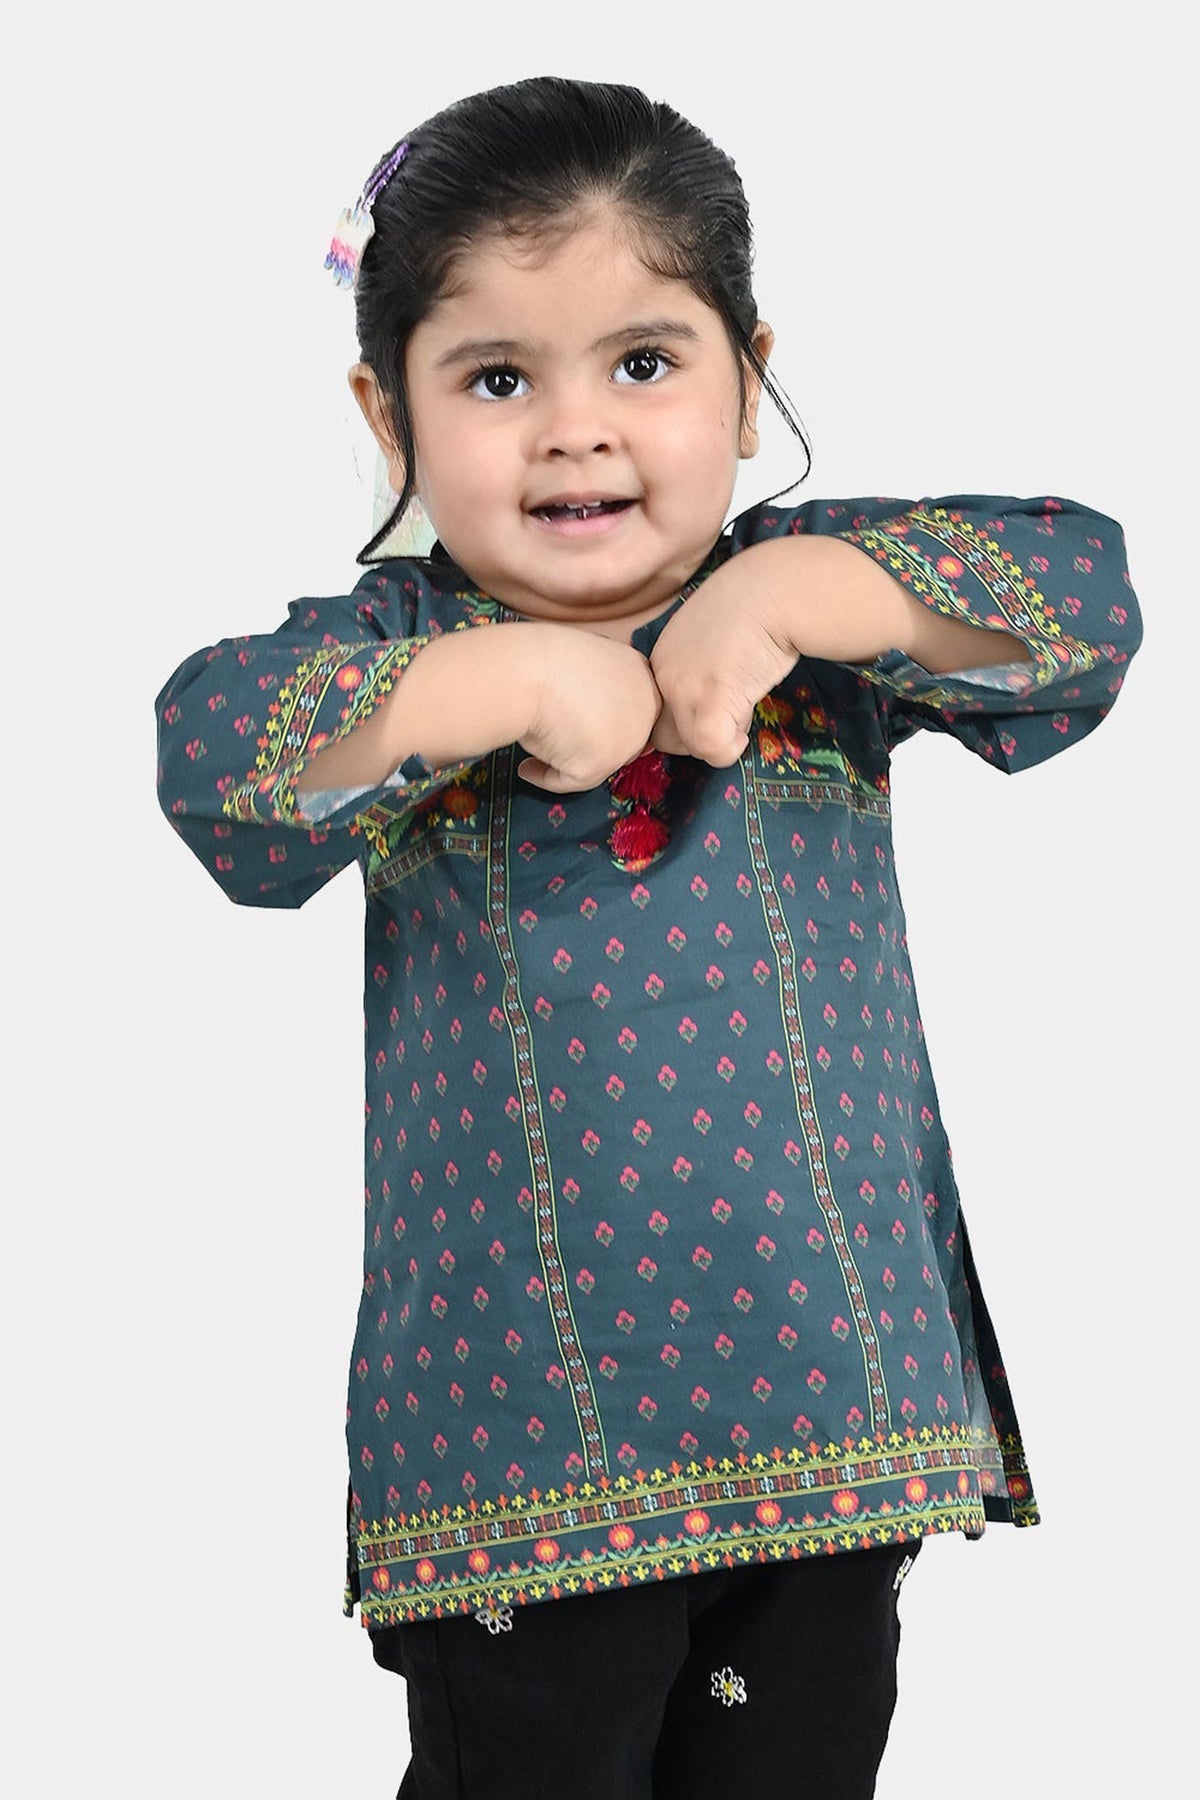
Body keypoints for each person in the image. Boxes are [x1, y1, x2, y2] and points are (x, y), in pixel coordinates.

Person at [155, 74, 1142, 1800]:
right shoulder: (396, 649)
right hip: (519, 1452)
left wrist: (797, 596)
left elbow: (1084, 605)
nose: (575, 432)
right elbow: (217, 763)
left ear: (750, 382)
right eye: (496, 379)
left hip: (831, 1416)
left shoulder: (822, 617)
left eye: (644, 362)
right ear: (389, 415)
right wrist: (480, 686)